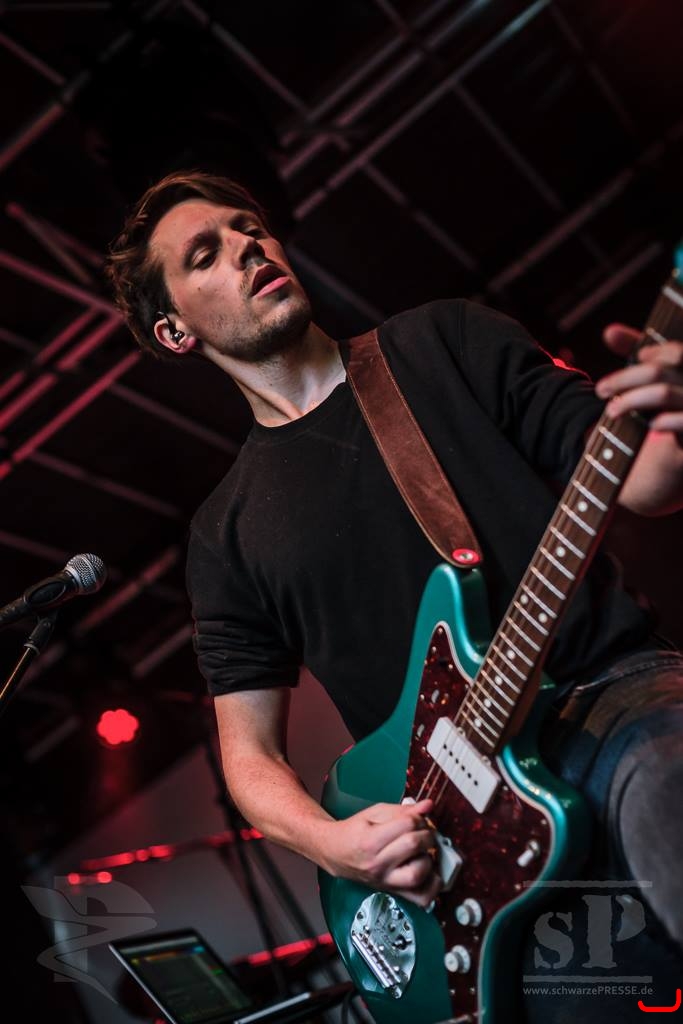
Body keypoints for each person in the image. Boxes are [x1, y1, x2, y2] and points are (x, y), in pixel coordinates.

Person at [106, 170, 683, 1021]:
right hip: (468, 832)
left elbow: (641, 482)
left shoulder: (443, 340)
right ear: (174, 328)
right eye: (205, 254)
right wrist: (336, 845)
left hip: (609, 700)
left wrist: (670, 418)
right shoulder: (224, 534)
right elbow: (250, 758)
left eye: (247, 226)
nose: (246, 247)